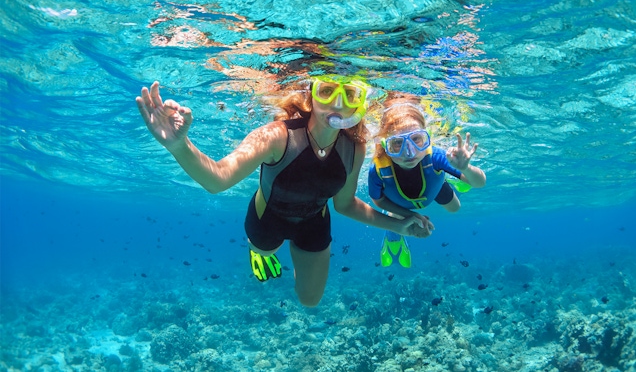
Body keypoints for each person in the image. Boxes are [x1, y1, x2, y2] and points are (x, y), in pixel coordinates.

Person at [136, 79, 432, 307]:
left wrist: (399, 224)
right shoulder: (277, 135)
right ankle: (258, 251)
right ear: (312, 95)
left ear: (358, 104)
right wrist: (178, 146)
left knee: (310, 301)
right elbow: (218, 179)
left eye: (350, 95)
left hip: (315, 222)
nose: (338, 104)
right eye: (327, 91)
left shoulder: (354, 148)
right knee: (264, 251)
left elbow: (344, 205)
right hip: (268, 218)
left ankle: (287, 261)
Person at [368, 93, 486, 268]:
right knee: (396, 218)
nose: (409, 153)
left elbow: (479, 183)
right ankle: (393, 239)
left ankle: (453, 176)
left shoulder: (436, 156)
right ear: (386, 146)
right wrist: (411, 216)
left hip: (434, 186)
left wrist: (465, 168)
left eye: (417, 140)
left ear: (427, 138)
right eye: (397, 144)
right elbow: (378, 201)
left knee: (455, 208)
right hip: (399, 203)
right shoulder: (378, 170)